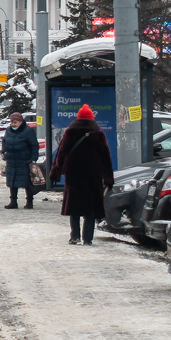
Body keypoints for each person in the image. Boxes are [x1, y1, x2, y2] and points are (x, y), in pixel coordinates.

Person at [51, 104, 114, 244]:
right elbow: (106, 158)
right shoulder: (99, 134)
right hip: (93, 176)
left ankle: (74, 236)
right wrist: (108, 178)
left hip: (74, 176)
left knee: (74, 208)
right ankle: (88, 239)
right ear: (92, 119)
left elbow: (61, 154)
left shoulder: (69, 132)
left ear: (78, 118)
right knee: (90, 210)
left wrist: (55, 173)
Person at [0, 111, 40, 209]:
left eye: (15, 122)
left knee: (27, 182)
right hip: (11, 160)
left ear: (21, 122)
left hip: (24, 161)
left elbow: (34, 145)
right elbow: (4, 141)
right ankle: (13, 202)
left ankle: (29, 202)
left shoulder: (28, 131)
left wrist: (33, 158)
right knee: (12, 182)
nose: (13, 124)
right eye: (12, 122)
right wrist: (5, 152)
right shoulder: (8, 130)